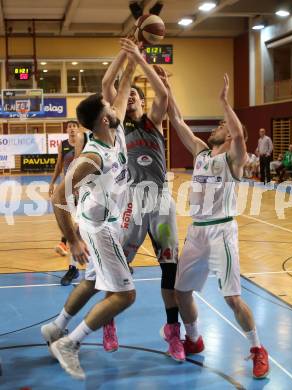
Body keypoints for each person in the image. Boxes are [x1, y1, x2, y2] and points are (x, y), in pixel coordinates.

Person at [157, 68, 269, 378]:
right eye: (221, 123)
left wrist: (224, 102)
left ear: (231, 134)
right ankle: (194, 339)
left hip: (222, 230)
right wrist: (166, 88)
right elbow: (177, 120)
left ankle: (258, 349)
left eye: (224, 124)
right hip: (197, 231)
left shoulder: (234, 158)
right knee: (181, 292)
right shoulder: (201, 153)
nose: (219, 126)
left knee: (232, 298)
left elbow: (240, 135)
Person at [41, 42, 136, 380]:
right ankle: (69, 343)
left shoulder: (117, 128)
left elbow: (123, 85)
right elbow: (57, 198)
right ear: (103, 118)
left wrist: (132, 53)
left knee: (94, 282)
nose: (114, 103)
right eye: (108, 105)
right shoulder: (93, 156)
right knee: (125, 295)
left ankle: (56, 327)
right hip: (100, 229)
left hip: (103, 223)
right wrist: (72, 239)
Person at [97, 38, 183, 360]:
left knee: (170, 268)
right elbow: (108, 83)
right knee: (121, 267)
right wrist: (126, 56)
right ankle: (109, 323)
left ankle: (173, 333)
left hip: (159, 200)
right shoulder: (117, 127)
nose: (130, 95)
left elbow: (163, 94)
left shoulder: (153, 122)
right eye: (128, 93)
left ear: (143, 102)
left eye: (135, 94)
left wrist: (141, 60)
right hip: (131, 202)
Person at [49, 120, 81, 286]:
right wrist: (52, 182)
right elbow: (59, 165)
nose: (72, 128)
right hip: (67, 189)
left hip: (84, 190)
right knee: (73, 227)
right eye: (69, 126)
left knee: (87, 229)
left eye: (74, 126)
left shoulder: (85, 143)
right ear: (67, 129)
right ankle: (72, 267)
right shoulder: (63, 145)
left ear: (78, 129)